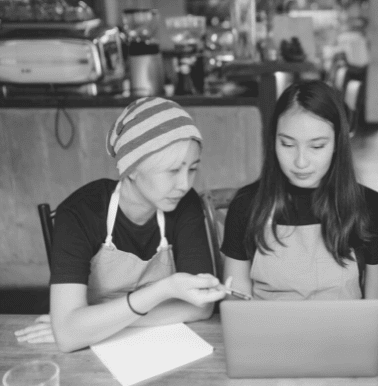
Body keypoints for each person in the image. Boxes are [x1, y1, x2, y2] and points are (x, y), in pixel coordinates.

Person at [15, 97, 229, 352]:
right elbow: (69, 338)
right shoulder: (79, 212)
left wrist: (92, 326)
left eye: (192, 169)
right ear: (132, 168)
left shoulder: (186, 204)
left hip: (155, 346)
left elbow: (201, 307)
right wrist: (165, 290)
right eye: (173, 171)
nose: (185, 184)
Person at [221, 80, 378, 300]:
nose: (300, 162)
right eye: (287, 145)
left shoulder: (370, 206)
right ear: (273, 141)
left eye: (317, 146)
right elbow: (235, 300)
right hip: (267, 334)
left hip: (345, 334)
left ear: (338, 143)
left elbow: (377, 303)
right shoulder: (246, 205)